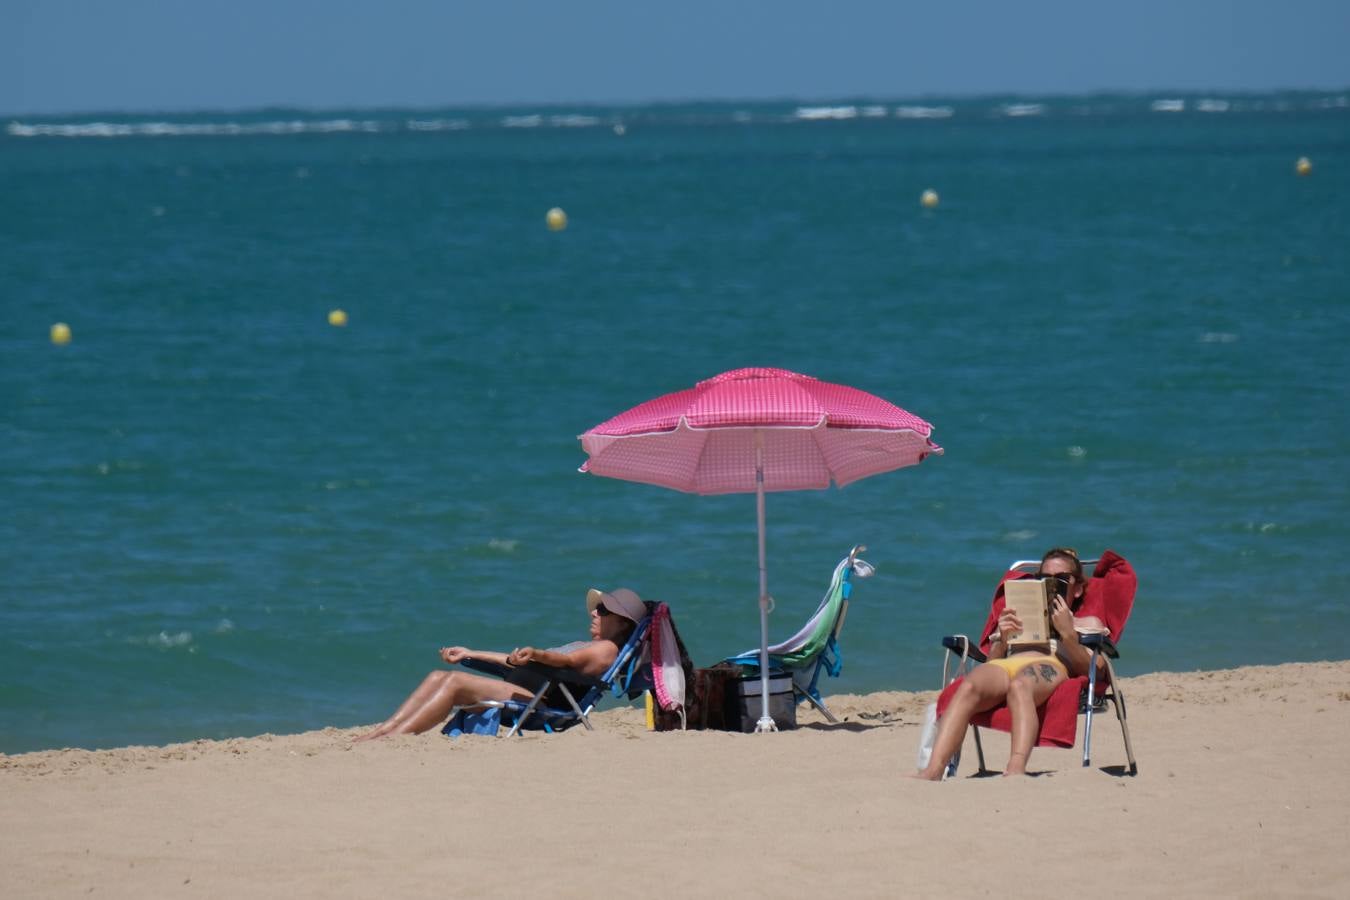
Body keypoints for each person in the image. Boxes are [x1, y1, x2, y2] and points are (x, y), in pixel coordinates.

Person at [913, 547, 1110, 779]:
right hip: (1008, 664)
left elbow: (1099, 671)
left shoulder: (1086, 622)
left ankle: (1016, 768)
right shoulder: (1017, 614)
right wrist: (1002, 639)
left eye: (1062, 579)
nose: (1053, 584)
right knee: (967, 687)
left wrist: (1068, 635)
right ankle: (934, 770)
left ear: (1077, 588)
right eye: (1045, 579)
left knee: (1021, 686)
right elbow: (992, 662)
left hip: (1050, 664)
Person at [353, 587, 646, 741]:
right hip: (527, 690)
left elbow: (564, 661)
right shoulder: (591, 644)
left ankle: (397, 737)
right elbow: (512, 661)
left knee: (454, 683)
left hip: (542, 703)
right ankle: (383, 732)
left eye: (603, 610)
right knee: (438, 675)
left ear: (621, 623)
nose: (594, 612)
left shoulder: (606, 650)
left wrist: (538, 654)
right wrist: (470, 653)